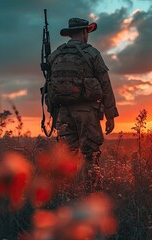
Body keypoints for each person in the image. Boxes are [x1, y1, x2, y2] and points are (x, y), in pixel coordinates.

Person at [47, 18, 119, 192]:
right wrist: (110, 114)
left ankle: (65, 193)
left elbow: (49, 84)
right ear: (85, 32)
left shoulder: (56, 54)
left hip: (63, 112)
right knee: (90, 155)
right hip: (87, 112)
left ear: (70, 34)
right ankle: (91, 192)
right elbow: (105, 83)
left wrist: (53, 112)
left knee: (66, 155)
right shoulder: (91, 53)